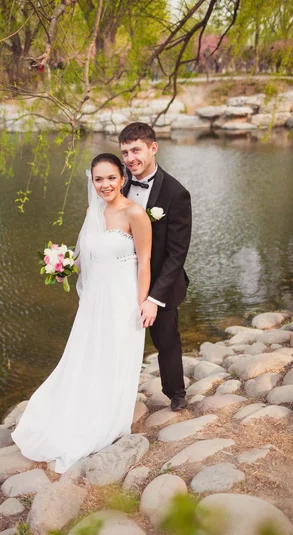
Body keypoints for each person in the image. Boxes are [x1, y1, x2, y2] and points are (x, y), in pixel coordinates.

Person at [12, 153, 152, 473]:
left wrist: (144, 303)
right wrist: (63, 266)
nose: (105, 185)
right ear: (92, 181)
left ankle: (110, 420)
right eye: (98, 179)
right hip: (94, 302)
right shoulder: (93, 211)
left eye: (111, 178)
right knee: (87, 356)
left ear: (122, 178)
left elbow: (145, 261)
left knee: (116, 358)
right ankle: (79, 411)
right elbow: (87, 256)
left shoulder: (135, 214)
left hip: (123, 300)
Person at [119, 122, 192, 411]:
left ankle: (176, 393)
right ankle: (118, 395)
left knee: (166, 339)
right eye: (124, 152)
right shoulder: (118, 183)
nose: (130, 159)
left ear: (153, 148)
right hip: (123, 277)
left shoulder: (176, 194)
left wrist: (153, 298)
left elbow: (177, 254)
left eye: (136, 150)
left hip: (162, 281)